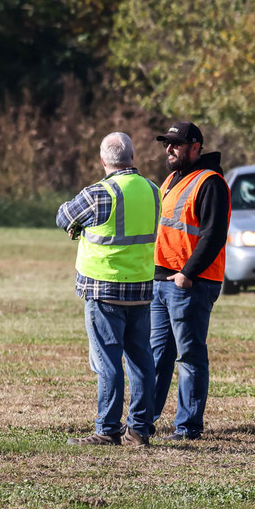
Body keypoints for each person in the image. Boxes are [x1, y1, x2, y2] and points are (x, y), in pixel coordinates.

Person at [56, 132, 160, 447]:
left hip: (103, 289)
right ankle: (139, 429)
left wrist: (80, 226)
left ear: (103, 161)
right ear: (132, 157)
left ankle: (107, 429)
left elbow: (64, 216)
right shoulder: (154, 191)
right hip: (141, 288)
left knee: (108, 362)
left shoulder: (99, 193)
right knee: (142, 361)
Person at [151, 120, 231, 441]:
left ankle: (187, 427)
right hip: (161, 280)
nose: (169, 149)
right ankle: (144, 420)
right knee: (156, 355)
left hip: (191, 283)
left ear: (196, 147)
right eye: (167, 144)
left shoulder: (210, 183)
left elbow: (213, 236)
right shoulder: (172, 179)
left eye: (177, 144)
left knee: (189, 355)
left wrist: (187, 274)